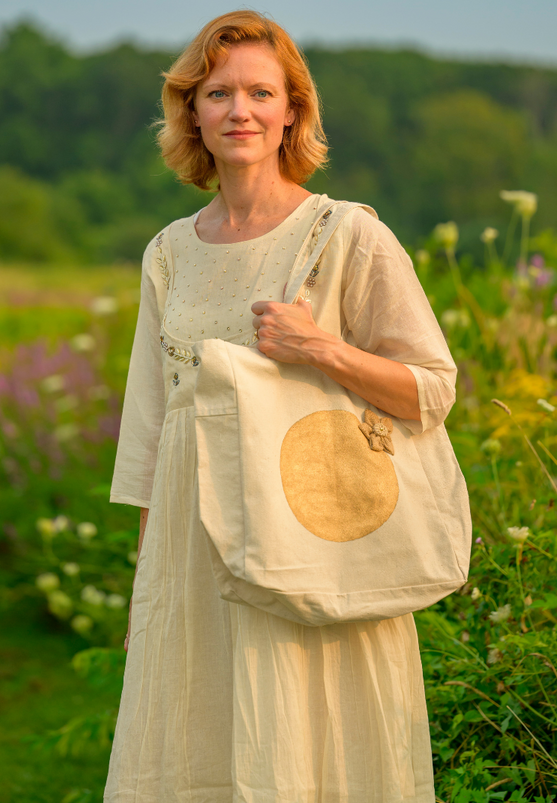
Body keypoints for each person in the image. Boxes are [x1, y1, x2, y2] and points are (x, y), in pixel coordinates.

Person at [104, 10, 458, 802]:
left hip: (309, 535)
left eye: (261, 92)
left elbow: (433, 387)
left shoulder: (347, 236)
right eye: (218, 92)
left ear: (293, 109)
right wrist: (148, 584)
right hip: (194, 557)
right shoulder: (169, 251)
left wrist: (320, 348)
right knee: (200, 752)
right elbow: (153, 426)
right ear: (191, 110)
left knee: (305, 751)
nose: (240, 111)